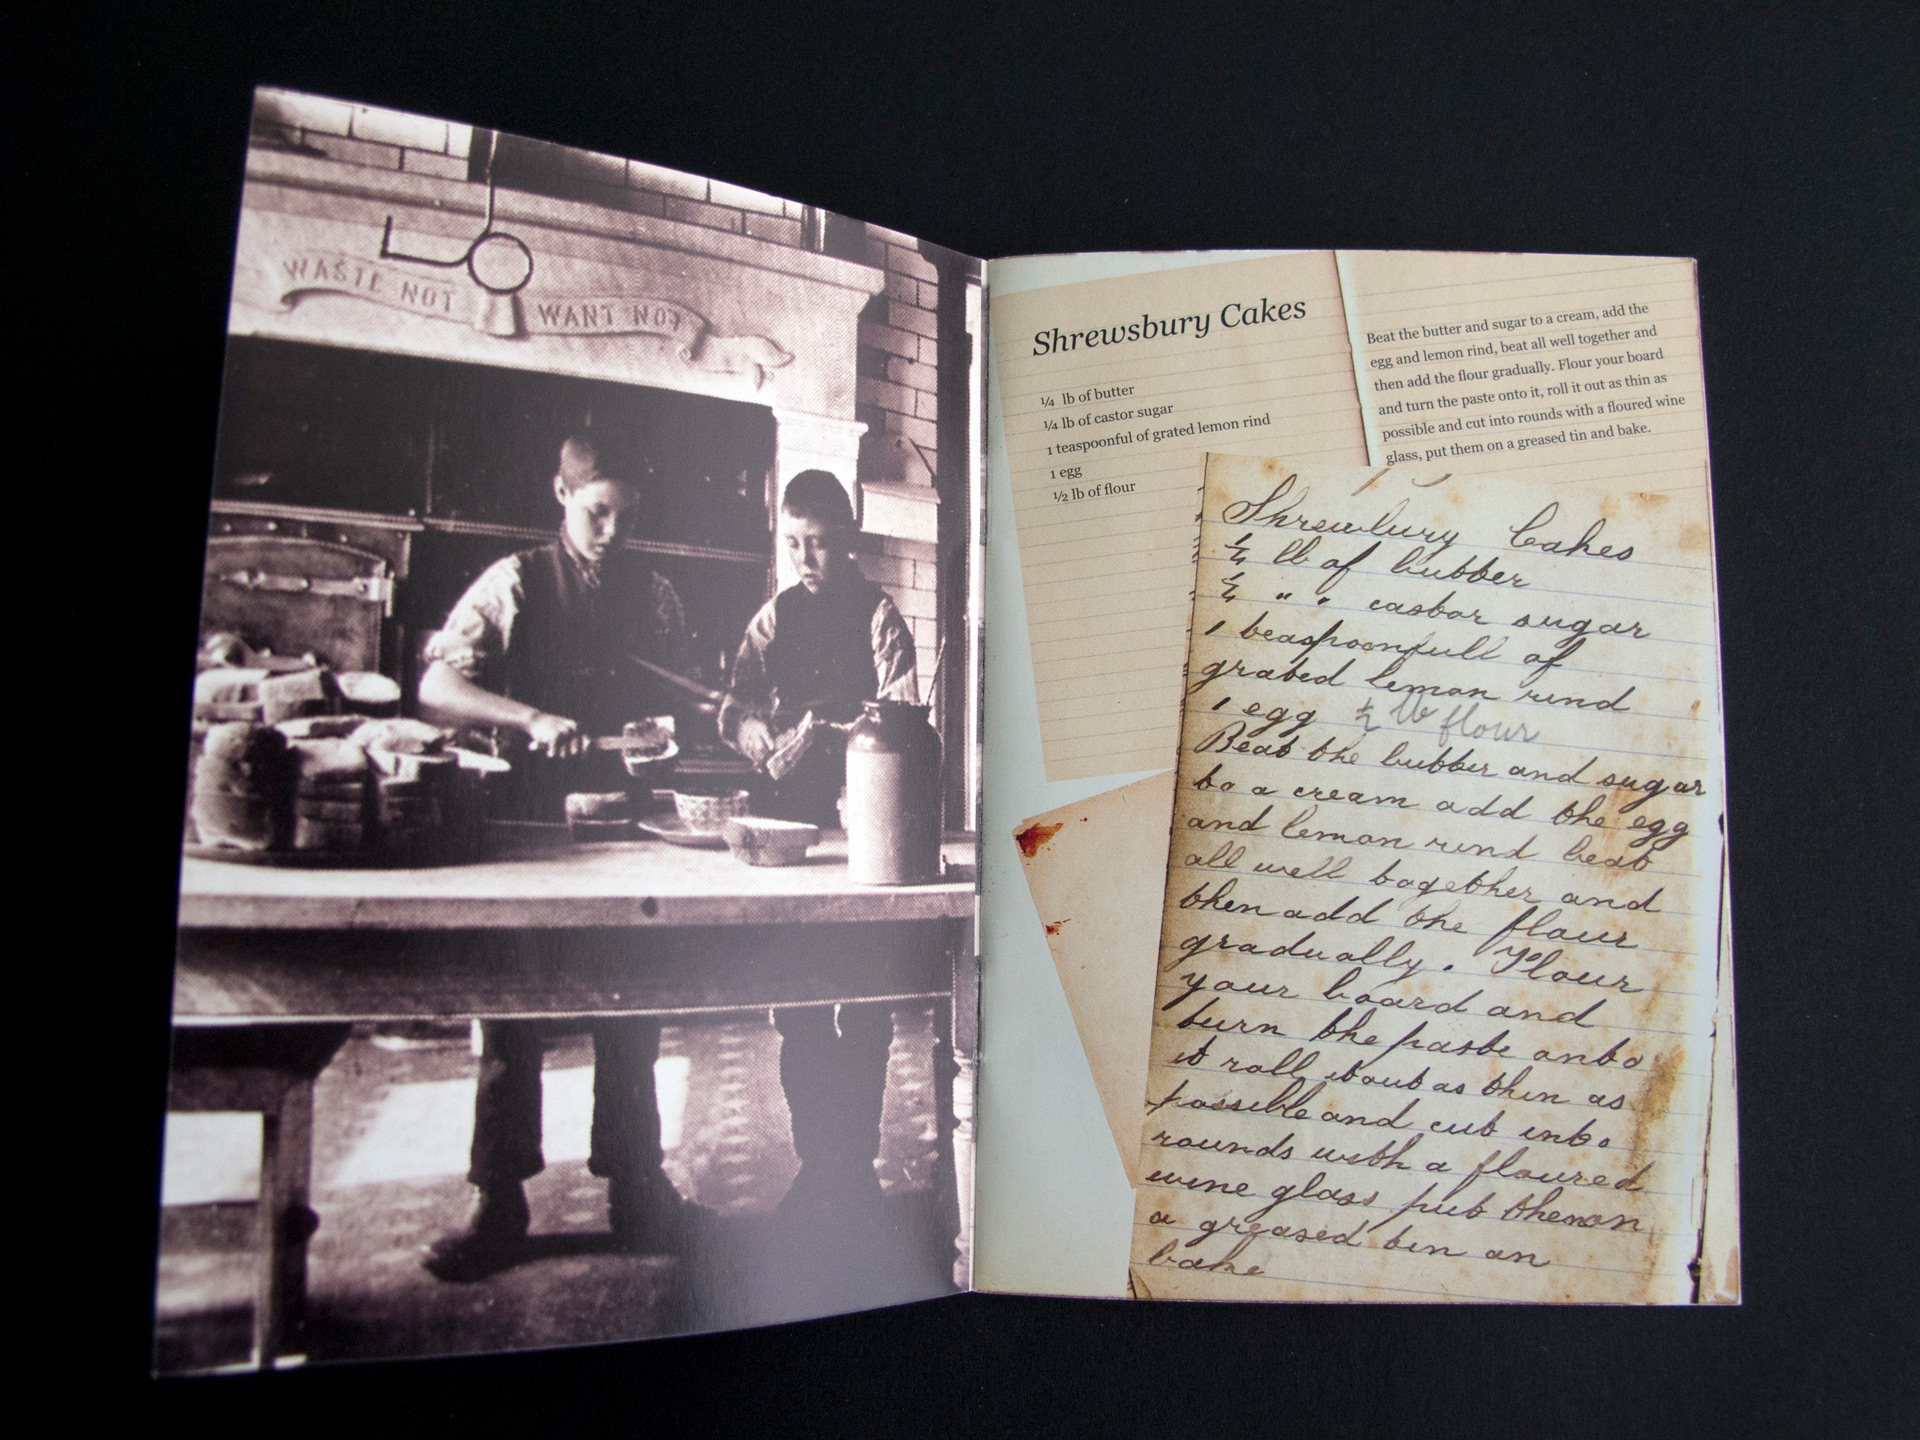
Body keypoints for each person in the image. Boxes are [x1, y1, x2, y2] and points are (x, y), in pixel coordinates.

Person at [416, 431, 692, 1280]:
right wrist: (529, 719)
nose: (611, 530)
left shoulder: (654, 593)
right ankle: (498, 1200)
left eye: (625, 516)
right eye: (596, 512)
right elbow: (435, 687)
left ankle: (639, 1188)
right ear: (561, 496)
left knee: (631, 1004)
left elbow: (671, 705)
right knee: (512, 1012)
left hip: (623, 830)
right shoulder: (514, 582)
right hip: (527, 830)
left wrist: (655, 744)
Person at [718, 469, 918, 1220]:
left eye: (822, 545)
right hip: (793, 835)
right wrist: (753, 732)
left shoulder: (879, 617)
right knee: (798, 1004)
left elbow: (902, 714)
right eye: (794, 543)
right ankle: (817, 1165)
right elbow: (734, 703)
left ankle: (855, 1167)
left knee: (863, 1006)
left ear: (850, 542)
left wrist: (830, 732)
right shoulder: (771, 619)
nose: (807, 559)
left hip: (866, 830)